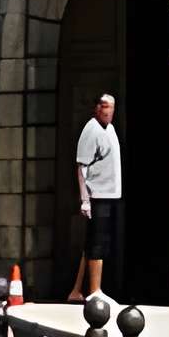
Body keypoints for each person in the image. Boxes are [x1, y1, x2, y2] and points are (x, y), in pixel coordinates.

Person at [72, 92, 122, 300]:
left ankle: (77, 290)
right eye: (103, 106)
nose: (107, 110)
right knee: (97, 243)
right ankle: (94, 290)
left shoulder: (110, 129)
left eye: (111, 106)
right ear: (96, 108)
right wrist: (85, 200)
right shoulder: (91, 130)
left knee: (94, 242)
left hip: (110, 194)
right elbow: (82, 166)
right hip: (97, 194)